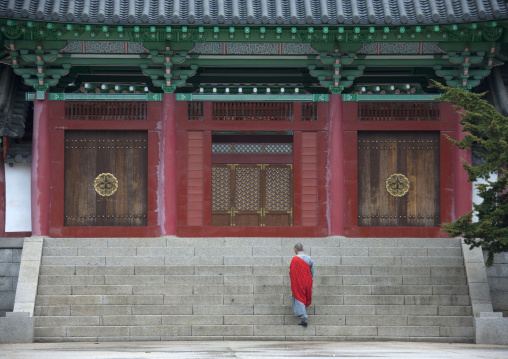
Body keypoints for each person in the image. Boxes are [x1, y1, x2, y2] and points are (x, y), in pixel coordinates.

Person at [289, 243, 314, 327]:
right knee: (304, 296)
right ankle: (303, 313)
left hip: (298, 282)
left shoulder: (294, 259)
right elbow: (312, 271)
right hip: (307, 281)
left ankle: (304, 318)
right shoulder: (309, 258)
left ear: (295, 249)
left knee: (299, 297)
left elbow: (292, 272)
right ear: (302, 249)